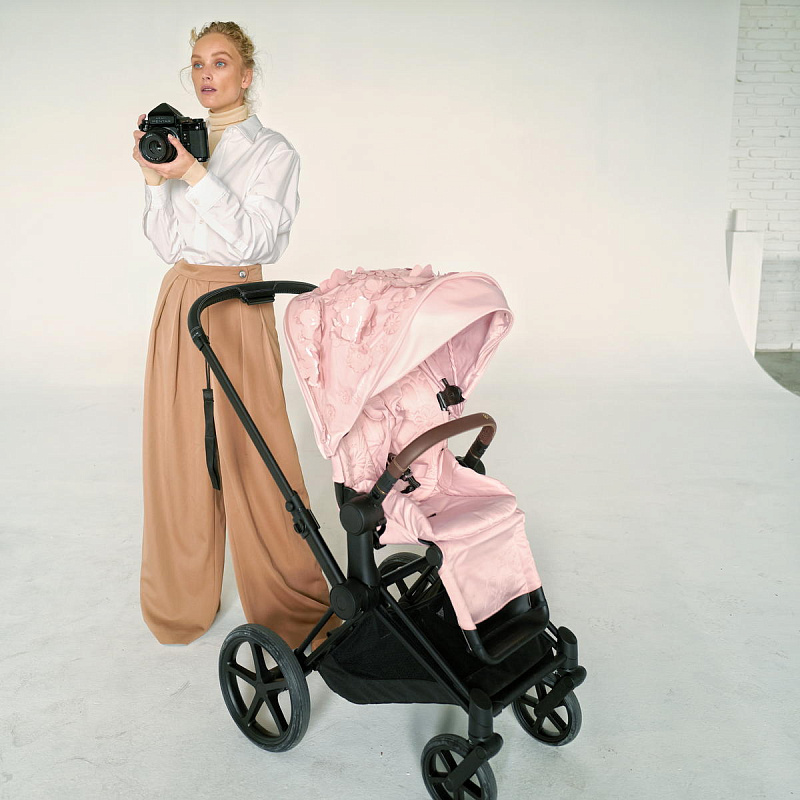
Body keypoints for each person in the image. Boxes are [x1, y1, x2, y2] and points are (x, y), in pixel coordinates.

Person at [132, 21, 334, 648]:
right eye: (197, 64)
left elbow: (256, 241)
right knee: (179, 449)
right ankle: (180, 598)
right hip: (181, 299)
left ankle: (288, 598)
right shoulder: (182, 144)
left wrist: (195, 175)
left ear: (246, 75)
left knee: (256, 448)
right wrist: (155, 178)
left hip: (239, 301)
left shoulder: (273, 152)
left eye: (220, 63)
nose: (206, 75)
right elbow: (167, 243)